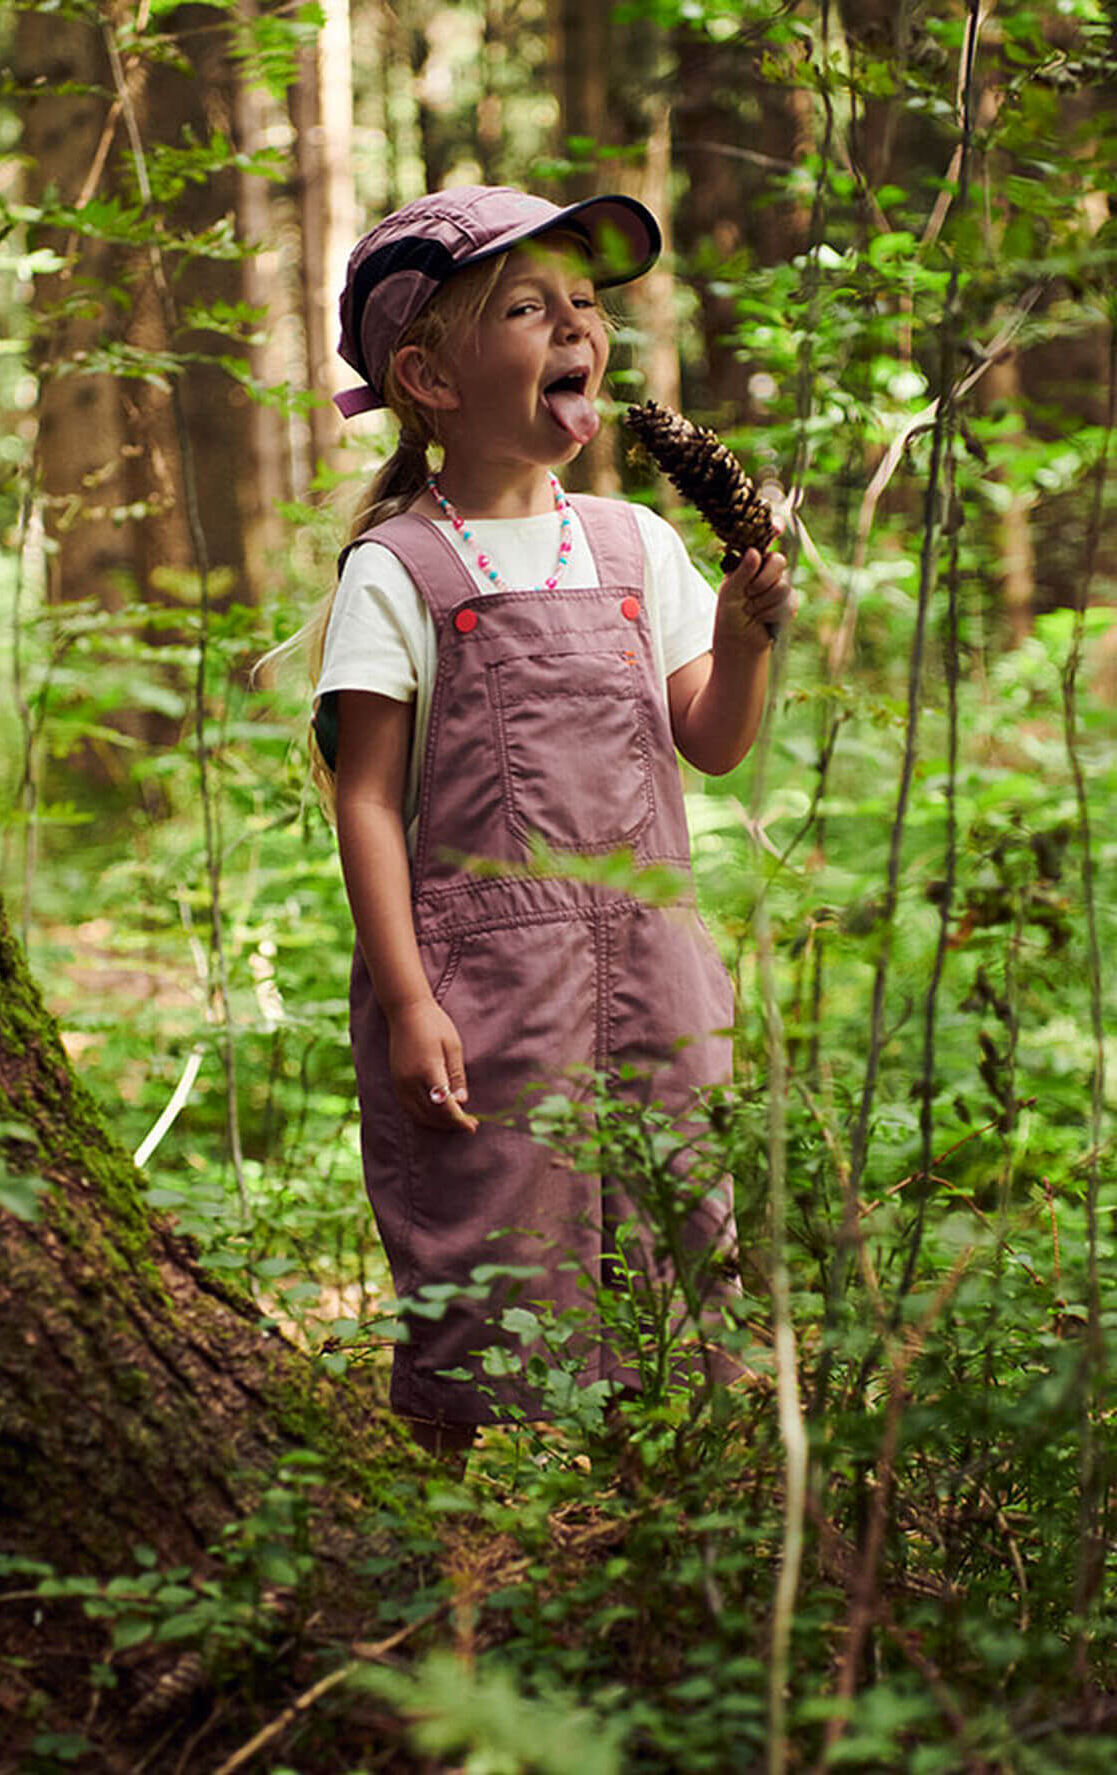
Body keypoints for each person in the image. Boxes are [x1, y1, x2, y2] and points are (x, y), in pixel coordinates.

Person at [306, 186, 794, 1460]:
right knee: (484, 1222)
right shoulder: (402, 567)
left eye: (585, 302)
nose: (576, 326)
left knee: (674, 1217)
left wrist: (745, 646)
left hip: (656, 968)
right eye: (528, 307)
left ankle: (661, 1510)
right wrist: (412, 998)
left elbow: (716, 741)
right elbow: (364, 792)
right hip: (486, 979)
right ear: (429, 374)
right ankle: (434, 1509)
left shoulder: (638, 547)